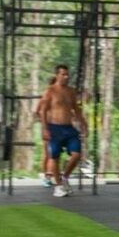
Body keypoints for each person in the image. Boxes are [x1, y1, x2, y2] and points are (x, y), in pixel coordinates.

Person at [40, 65, 87, 198]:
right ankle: (58, 186)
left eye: (67, 74)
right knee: (55, 156)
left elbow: (76, 109)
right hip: (54, 127)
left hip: (68, 128)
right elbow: (42, 110)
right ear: (57, 75)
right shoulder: (50, 91)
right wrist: (45, 129)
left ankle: (65, 177)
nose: (66, 77)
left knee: (77, 154)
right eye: (63, 74)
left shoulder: (71, 91)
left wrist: (84, 124)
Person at [34, 76, 56, 187]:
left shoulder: (59, 95)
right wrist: (45, 123)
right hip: (48, 127)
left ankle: (49, 176)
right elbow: (37, 112)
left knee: (52, 153)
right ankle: (47, 177)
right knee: (49, 153)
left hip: (57, 127)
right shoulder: (46, 96)